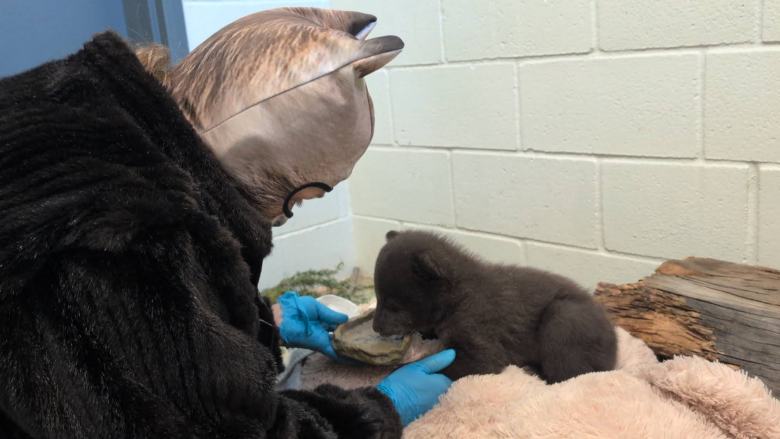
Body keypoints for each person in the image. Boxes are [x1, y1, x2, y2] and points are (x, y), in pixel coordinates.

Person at [0, 8, 454, 438]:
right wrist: (377, 410)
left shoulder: (74, 101)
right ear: (259, 162)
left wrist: (263, 323)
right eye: (300, 199)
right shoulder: (130, 239)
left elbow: (131, 349)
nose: (284, 217)